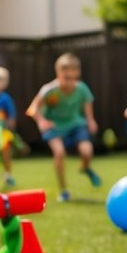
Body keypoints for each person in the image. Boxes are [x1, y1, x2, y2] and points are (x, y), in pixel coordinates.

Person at [26, 52, 100, 201]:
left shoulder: (82, 89)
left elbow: (87, 103)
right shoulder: (49, 90)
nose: (70, 80)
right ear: (58, 73)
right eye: (66, 76)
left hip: (75, 125)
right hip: (54, 127)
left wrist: (91, 120)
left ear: (78, 73)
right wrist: (41, 121)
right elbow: (32, 109)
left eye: (73, 76)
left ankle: (85, 167)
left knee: (87, 151)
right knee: (59, 153)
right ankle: (63, 190)